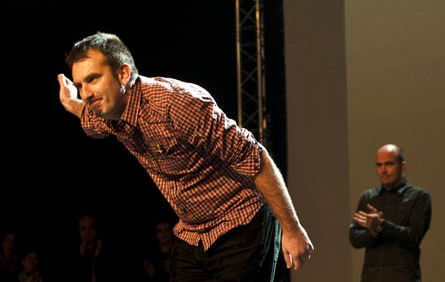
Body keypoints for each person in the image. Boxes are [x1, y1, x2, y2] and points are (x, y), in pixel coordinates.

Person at [57, 32, 313, 282]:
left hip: (240, 222)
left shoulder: (174, 105)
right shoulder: (109, 115)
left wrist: (292, 230)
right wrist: (70, 102)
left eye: (93, 79)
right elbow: (88, 117)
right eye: (80, 85)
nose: (86, 93)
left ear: (123, 74)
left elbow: (255, 157)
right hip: (193, 233)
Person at [349, 143, 431, 281]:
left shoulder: (419, 197)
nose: (383, 170)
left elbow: (414, 237)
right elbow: (354, 238)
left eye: (389, 164)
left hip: (403, 276)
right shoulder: (368, 197)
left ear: (402, 166)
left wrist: (382, 225)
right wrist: (373, 233)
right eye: (379, 165)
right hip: (372, 277)